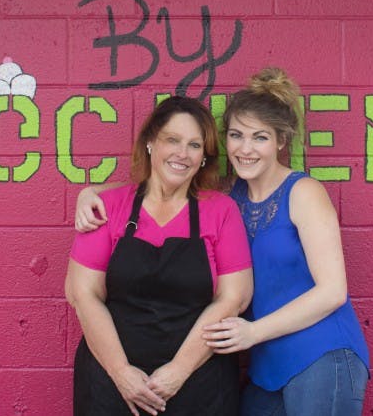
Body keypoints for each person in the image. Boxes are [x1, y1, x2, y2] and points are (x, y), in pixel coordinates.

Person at [75, 69, 370, 416]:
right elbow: (162, 183)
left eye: (259, 138)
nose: (245, 149)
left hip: (321, 353)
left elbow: (333, 291)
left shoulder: (304, 193)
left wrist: (253, 332)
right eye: (236, 135)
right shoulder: (236, 195)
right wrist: (90, 192)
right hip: (268, 364)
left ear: (280, 141)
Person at [66, 95, 253, 416]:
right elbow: (82, 293)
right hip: (112, 387)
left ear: (204, 157)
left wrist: (178, 370)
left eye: (195, 145)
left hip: (199, 385)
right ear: (151, 142)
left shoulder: (221, 211)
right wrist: (121, 372)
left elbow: (233, 298)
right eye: (172, 140)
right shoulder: (107, 207)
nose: (183, 153)